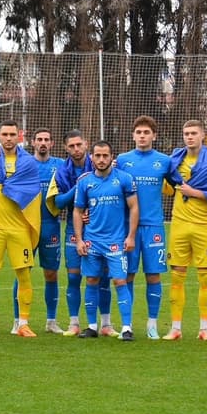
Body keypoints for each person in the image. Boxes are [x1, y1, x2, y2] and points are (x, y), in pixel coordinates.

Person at [164, 119, 207, 341]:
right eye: (186, 133)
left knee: (206, 278)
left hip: (204, 226)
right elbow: (166, 186)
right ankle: (175, 328)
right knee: (176, 276)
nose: (189, 137)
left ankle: (204, 329)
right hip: (179, 225)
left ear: (203, 135)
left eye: (194, 133)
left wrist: (194, 192)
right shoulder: (175, 160)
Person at [0, 119, 41, 338]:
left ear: (19, 136)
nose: (9, 138)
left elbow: (32, 192)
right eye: (5, 134)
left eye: (13, 134)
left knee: (24, 276)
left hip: (19, 229)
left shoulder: (29, 163)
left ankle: (23, 324)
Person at [72, 141, 139, 341]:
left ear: (111, 157)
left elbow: (134, 207)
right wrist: (79, 240)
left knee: (120, 281)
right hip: (92, 241)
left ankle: (126, 328)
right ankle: (92, 326)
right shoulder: (84, 181)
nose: (101, 160)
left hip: (116, 241)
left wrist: (131, 236)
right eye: (98, 156)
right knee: (91, 280)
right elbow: (77, 211)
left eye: (105, 156)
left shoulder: (124, 179)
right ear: (92, 157)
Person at [116, 115, 172, 340]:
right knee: (127, 275)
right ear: (133, 135)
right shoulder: (122, 160)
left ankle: (152, 324)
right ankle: (127, 324)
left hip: (153, 226)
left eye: (146, 132)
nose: (142, 136)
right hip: (128, 227)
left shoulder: (164, 161)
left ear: (154, 136)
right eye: (138, 132)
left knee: (153, 276)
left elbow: (180, 183)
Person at [52, 129, 112, 336]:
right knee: (74, 277)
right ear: (65, 148)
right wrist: (78, 186)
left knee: (103, 277)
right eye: (71, 146)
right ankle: (74, 323)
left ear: (86, 144)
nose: (76, 149)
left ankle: (106, 324)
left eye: (79, 144)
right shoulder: (62, 172)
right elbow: (58, 202)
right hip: (74, 227)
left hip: (101, 228)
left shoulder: (101, 164)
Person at [12, 129, 65, 333]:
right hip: (26, 227)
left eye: (46, 140)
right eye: (39, 139)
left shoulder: (61, 165)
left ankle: (51, 321)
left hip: (50, 226)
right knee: (22, 273)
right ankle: (18, 321)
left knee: (51, 274)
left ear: (52, 143)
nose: (43, 143)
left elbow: (85, 167)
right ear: (32, 142)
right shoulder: (23, 163)